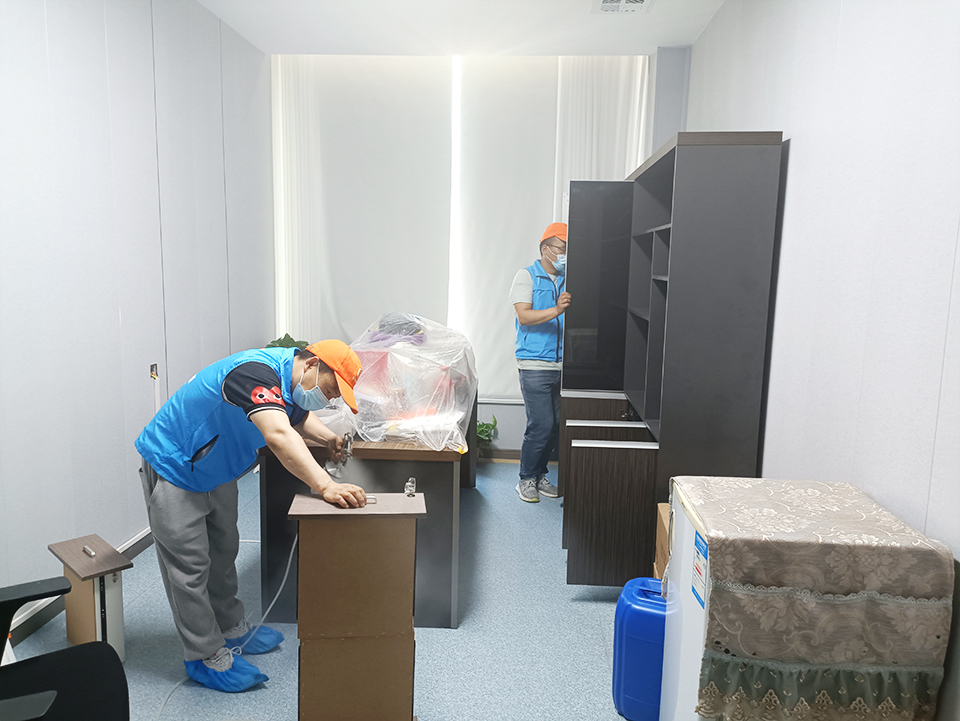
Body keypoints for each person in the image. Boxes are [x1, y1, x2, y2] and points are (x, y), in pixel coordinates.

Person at [135, 340, 366, 692]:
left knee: (224, 550)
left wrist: (329, 438)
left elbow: (296, 416)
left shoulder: (291, 378)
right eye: (330, 390)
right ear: (312, 364)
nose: (328, 399)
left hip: (216, 466)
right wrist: (325, 486)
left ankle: (230, 627)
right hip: (176, 464)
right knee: (189, 568)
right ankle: (204, 655)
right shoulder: (253, 373)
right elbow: (278, 434)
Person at [509, 222, 571, 503]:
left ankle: (540, 475)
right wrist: (557, 309)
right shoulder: (527, 276)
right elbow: (524, 316)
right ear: (546, 249)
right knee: (541, 425)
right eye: (562, 248)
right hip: (534, 363)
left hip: (563, 365)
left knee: (555, 425)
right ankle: (525, 479)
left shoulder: (569, 279)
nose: (565, 254)